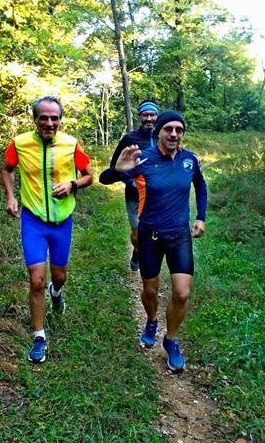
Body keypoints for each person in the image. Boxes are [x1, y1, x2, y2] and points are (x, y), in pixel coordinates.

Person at [99, 110, 207, 373]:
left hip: (179, 236)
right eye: (168, 129)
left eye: (179, 130)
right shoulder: (143, 159)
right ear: (158, 131)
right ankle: (150, 320)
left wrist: (201, 217)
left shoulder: (189, 159)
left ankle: (171, 340)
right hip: (150, 236)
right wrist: (118, 169)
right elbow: (105, 179)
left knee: (182, 293)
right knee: (150, 290)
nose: (174, 134)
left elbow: (201, 186)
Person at [2, 96, 93, 363]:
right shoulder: (20, 143)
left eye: (54, 118)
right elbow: (7, 170)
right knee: (36, 280)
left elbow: (90, 175)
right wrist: (11, 196)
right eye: (44, 117)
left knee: (59, 276)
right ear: (35, 119)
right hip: (33, 220)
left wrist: (72, 185)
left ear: (60, 120)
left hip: (62, 222)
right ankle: (39, 336)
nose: (49, 123)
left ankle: (57, 292)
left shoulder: (70, 144)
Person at [108, 100, 160, 271]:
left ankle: (150, 262)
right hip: (134, 194)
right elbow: (115, 166)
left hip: (156, 196)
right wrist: (129, 180)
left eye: (152, 115)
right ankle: (137, 251)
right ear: (140, 117)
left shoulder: (162, 136)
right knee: (137, 233)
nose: (149, 118)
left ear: (157, 116)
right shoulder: (130, 138)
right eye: (145, 115)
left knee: (154, 231)